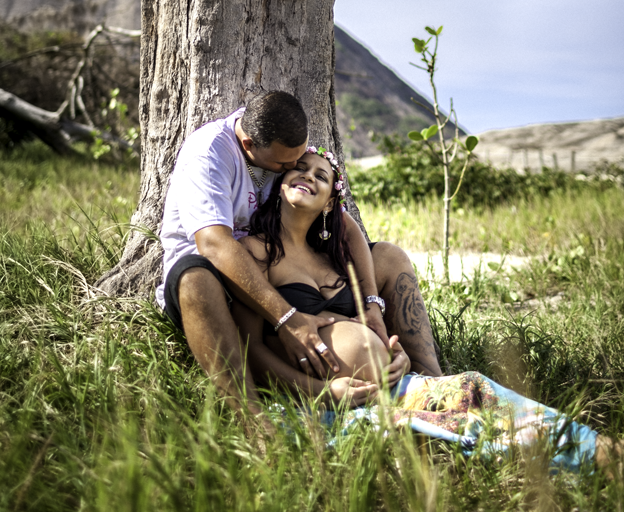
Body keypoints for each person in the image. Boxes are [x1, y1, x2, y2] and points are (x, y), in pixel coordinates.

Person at [233, 148, 624, 470]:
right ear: (282, 180)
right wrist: (324, 392)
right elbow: (251, 351)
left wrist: (395, 353)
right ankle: (602, 457)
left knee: (473, 390)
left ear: (331, 200)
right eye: (300, 168)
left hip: (390, 386)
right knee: (466, 414)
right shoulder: (256, 255)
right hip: (324, 403)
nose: (308, 175)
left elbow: (363, 321)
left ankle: (606, 449)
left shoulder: (333, 258)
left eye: (321, 174)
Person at [157, 91, 440, 420]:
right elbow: (215, 245)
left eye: (307, 166)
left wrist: (371, 307)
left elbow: (346, 228)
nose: (295, 168)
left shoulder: (284, 153)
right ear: (249, 145)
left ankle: (433, 380)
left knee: (388, 256)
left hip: (284, 274)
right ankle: (251, 418)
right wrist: (287, 318)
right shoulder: (209, 154)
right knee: (197, 277)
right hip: (215, 282)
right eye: (286, 166)